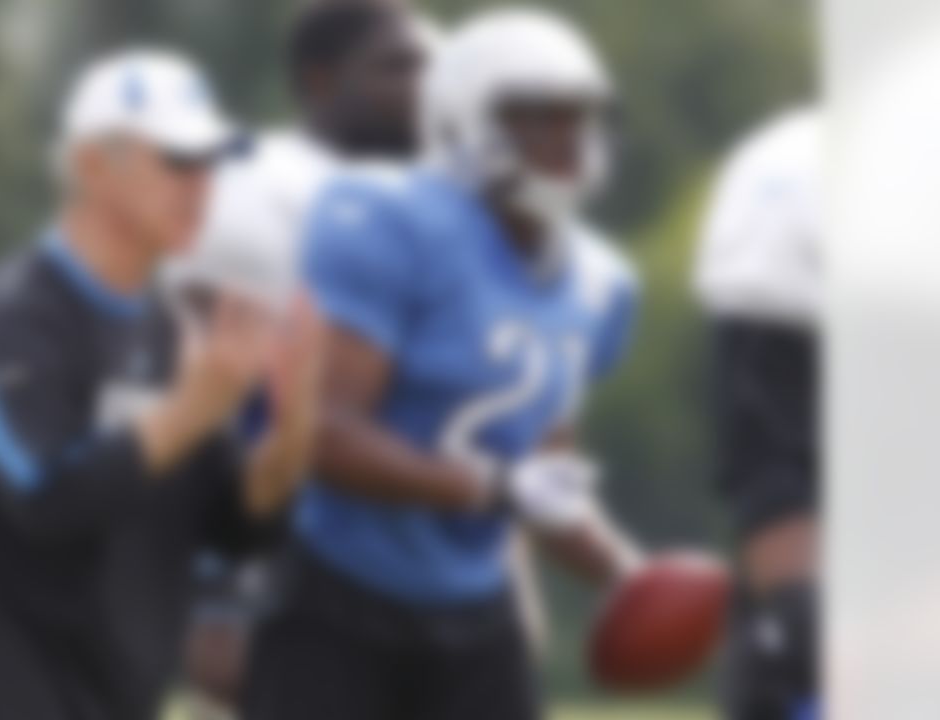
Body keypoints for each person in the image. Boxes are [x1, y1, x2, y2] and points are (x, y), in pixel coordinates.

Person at [0, 49, 322, 720]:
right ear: (92, 165)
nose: (201, 184)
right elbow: (48, 501)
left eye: (210, 162)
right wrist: (192, 410)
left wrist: (296, 419)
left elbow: (235, 528)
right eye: (178, 160)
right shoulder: (2, 323)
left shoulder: (168, 334)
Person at [242, 9, 646, 720]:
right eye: (536, 116)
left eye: (577, 116)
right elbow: (324, 434)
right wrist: (492, 487)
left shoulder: (599, 282)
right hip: (338, 596)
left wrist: (632, 574)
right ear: (463, 120)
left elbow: (548, 484)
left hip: (476, 611)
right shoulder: (389, 218)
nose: (565, 139)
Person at [176, 1, 433, 714]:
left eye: (430, 67)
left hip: (400, 532)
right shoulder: (259, 182)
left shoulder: (432, 197)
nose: (425, 86)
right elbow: (216, 382)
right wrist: (221, 585)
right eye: (398, 67)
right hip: (280, 530)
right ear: (321, 80)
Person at [696, 107, 821, 720]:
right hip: (864, 619)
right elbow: (766, 451)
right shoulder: (801, 175)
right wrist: (799, 611)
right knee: (798, 643)